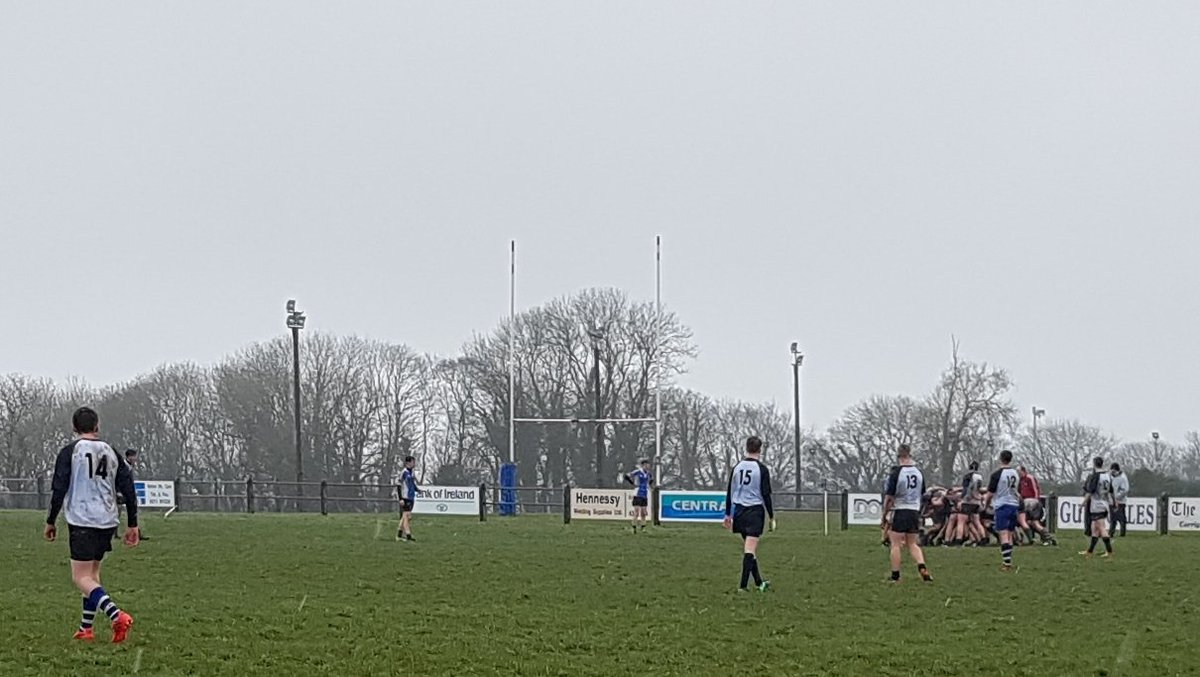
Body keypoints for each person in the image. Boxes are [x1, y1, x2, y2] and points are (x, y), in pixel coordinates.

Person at [44, 407, 139, 643]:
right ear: (97, 426)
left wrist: (51, 519)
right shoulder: (112, 452)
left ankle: (117, 615)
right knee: (93, 575)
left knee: (80, 578)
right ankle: (86, 629)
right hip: (107, 520)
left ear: (74, 428)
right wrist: (133, 523)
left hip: (82, 519)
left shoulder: (70, 452)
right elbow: (128, 488)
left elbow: (59, 488)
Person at [722, 436, 775, 593]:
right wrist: (771, 516)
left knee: (749, 549)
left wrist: (727, 514)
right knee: (750, 550)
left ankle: (759, 583)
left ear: (746, 447)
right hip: (754, 511)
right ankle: (743, 587)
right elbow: (766, 495)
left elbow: (730, 492)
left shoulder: (737, 467)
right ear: (760, 450)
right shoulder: (762, 469)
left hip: (739, 511)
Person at [882, 444, 933, 583]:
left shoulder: (897, 473)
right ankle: (922, 566)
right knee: (912, 543)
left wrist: (884, 514)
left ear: (899, 456)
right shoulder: (919, 473)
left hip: (900, 509)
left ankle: (895, 576)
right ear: (910, 455)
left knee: (896, 544)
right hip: (914, 511)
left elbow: (890, 497)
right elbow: (922, 494)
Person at [984, 450, 1021, 571]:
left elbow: (990, 493)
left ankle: (1007, 563)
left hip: (1002, 505)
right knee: (1009, 534)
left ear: (1000, 458)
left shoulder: (997, 474)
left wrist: (986, 505)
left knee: (1003, 534)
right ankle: (1008, 560)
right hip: (1014, 505)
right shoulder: (1015, 473)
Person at [1080, 457, 1116, 558]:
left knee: (1101, 528)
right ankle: (1090, 551)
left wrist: (1083, 503)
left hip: (1097, 505)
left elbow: (1090, 492)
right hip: (1104, 503)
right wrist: (1114, 502)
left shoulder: (1096, 476)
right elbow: (1111, 491)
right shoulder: (1107, 476)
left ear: (1094, 464)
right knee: (1094, 529)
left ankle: (1109, 551)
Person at [122, 449, 149, 541]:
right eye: (133, 456)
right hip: (125, 494)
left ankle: (136, 533)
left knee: (134, 514)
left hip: (130, 493)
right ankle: (130, 534)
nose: (135, 458)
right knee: (125, 514)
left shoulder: (129, 466)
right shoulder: (124, 466)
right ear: (128, 456)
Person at [623, 459, 654, 533]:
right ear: (643, 465)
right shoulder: (637, 472)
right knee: (636, 511)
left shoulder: (648, 474)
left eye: (648, 465)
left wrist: (649, 486)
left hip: (644, 494)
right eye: (646, 465)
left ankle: (643, 528)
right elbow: (627, 476)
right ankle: (634, 528)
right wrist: (632, 483)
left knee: (643, 512)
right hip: (637, 493)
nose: (648, 466)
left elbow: (651, 480)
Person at [397, 456, 419, 542]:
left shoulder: (412, 473)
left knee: (405, 517)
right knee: (407, 516)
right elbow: (398, 485)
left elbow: (412, 484)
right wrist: (400, 498)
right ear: (408, 463)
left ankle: (399, 534)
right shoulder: (404, 472)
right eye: (413, 462)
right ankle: (408, 535)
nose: (414, 464)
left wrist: (417, 489)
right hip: (405, 497)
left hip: (411, 497)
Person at [1108, 463, 1130, 538]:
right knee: (1112, 519)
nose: (1113, 473)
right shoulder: (1110, 478)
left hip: (1120, 501)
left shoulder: (1122, 478)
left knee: (1121, 518)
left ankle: (1122, 533)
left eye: (1114, 471)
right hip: (1111, 501)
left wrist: (1117, 497)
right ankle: (1111, 532)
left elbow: (1125, 490)